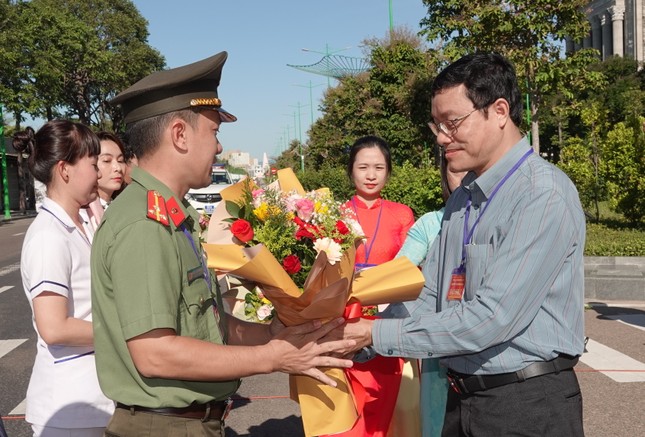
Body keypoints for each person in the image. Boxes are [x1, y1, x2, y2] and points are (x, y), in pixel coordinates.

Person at [90, 51, 354, 437]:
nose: (217, 146)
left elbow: (208, 326)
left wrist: (275, 336)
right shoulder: (145, 223)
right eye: (213, 131)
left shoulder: (173, 217)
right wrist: (269, 359)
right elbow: (155, 354)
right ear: (179, 134)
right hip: (162, 427)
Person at [335, 52, 586, 436]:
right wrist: (357, 341)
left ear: (499, 111)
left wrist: (373, 334)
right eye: (436, 124)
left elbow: (490, 318)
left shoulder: (541, 195)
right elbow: (430, 291)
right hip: (464, 398)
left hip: (526, 404)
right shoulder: (463, 197)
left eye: (452, 123)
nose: (440, 137)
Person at [14, 120, 114, 436]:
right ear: (65, 170)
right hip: (70, 410)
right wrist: (125, 337)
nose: (99, 173)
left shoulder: (80, 224)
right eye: (93, 163)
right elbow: (54, 327)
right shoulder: (48, 236)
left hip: (93, 399)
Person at [335, 135, 418, 437]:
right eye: (363, 167)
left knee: (385, 407)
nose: (371, 175)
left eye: (379, 167)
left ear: (388, 171)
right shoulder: (333, 213)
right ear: (350, 170)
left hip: (387, 319)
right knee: (345, 409)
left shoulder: (402, 214)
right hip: (341, 320)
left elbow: (411, 269)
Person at [396, 153, 466, 437]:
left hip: (490, 347)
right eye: (455, 170)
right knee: (438, 423)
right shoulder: (431, 223)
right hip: (441, 344)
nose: (463, 177)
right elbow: (400, 273)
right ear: (444, 174)